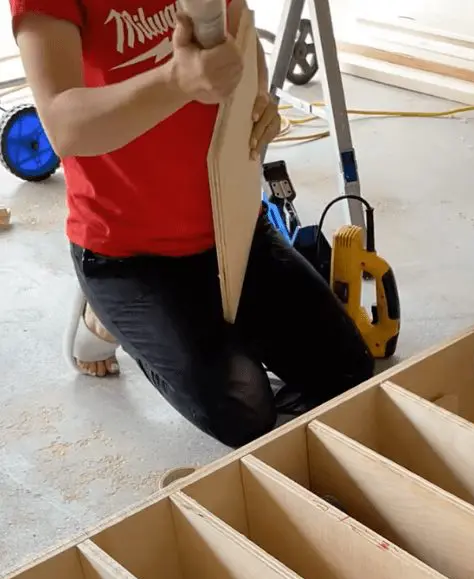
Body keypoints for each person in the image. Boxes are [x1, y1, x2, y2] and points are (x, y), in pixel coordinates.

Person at [13, 0, 376, 447]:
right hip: (126, 253)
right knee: (244, 410)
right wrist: (176, 81)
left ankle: (176, 321)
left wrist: (258, 95)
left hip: (231, 226)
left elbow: (240, 34)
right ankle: (105, 318)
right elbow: (63, 125)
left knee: (347, 372)